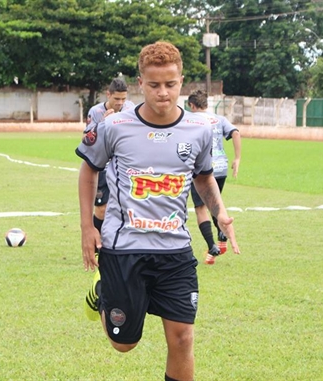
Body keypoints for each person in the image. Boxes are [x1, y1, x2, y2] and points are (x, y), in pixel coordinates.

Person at [76, 41, 240, 381]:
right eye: (154, 85)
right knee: (125, 344)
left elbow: (204, 178)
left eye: (170, 84)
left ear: (181, 81)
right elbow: (89, 169)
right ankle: (102, 292)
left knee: (182, 338)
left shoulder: (198, 129)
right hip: (125, 250)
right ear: (140, 83)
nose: (162, 93)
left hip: (175, 251)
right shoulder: (115, 126)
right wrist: (86, 227)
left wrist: (220, 212)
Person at [83, 78, 135, 321]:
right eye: (117, 99)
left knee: (120, 207)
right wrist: (101, 125)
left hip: (125, 167)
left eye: (124, 99)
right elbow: (88, 140)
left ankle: (113, 246)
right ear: (108, 94)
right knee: (101, 208)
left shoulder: (132, 108)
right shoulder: (95, 111)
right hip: (103, 166)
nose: (121, 103)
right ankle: (97, 245)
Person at [187, 89, 241, 265]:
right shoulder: (219, 119)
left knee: (201, 208)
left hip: (202, 168)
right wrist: (237, 158)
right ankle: (221, 236)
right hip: (221, 168)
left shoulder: (191, 120)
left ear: (192, 105)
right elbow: (235, 132)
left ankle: (212, 246)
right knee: (215, 205)